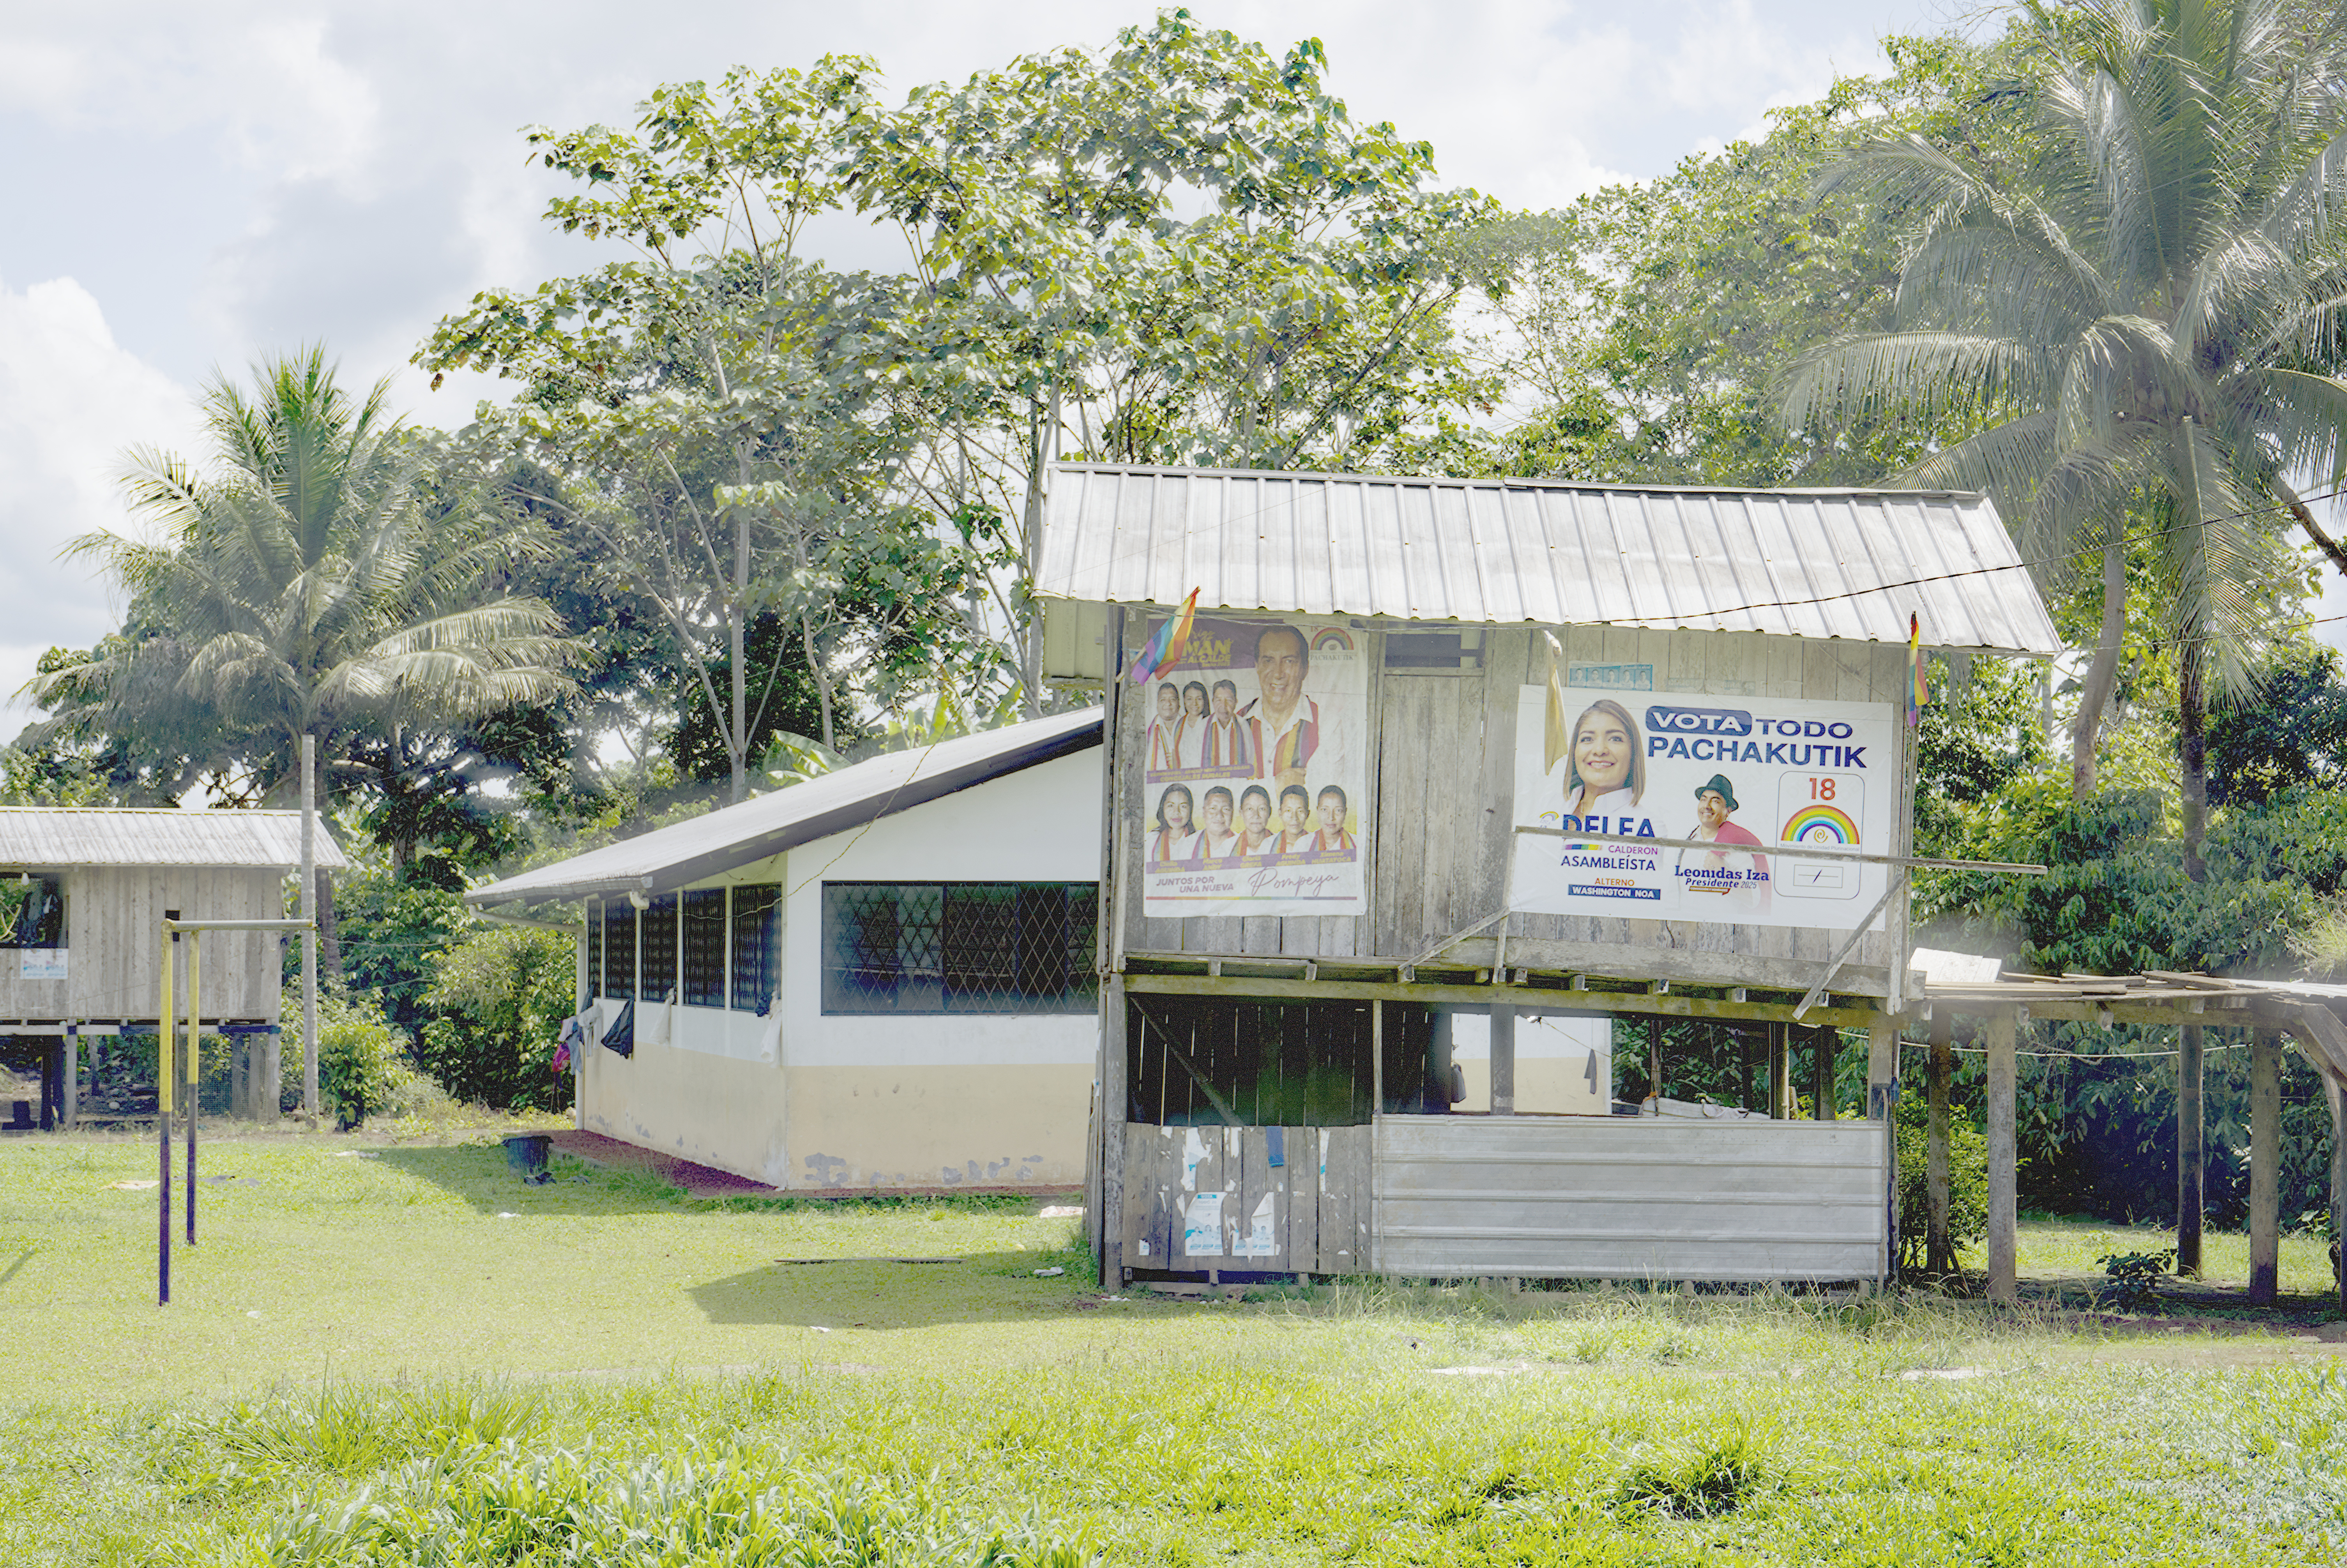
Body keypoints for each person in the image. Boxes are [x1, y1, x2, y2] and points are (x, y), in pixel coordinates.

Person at [1238, 624, 1318, 792]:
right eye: (1268, 661)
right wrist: (1278, 783)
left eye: (1289, 661)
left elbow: (1326, 789)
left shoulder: (1327, 722)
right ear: (1258, 666)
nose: (1278, 673)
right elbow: (1222, 789)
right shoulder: (1236, 724)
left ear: (1305, 669)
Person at [1677, 773, 1769, 908]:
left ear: (1728, 811)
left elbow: (1753, 900)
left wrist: (1723, 873)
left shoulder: (1736, 847)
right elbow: (1673, 891)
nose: (1707, 806)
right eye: (1703, 799)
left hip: (1720, 927)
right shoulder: (1686, 841)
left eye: (1715, 801)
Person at [1560, 698, 1645, 827]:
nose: (1599, 750)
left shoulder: (1647, 825)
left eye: (1615, 739)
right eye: (1587, 739)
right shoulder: (1548, 811)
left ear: (1633, 753)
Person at [1200, 678, 1254, 773]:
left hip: (1237, 784)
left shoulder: (1243, 726)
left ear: (1236, 702)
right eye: (1219, 700)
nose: (1224, 706)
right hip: (1209, 784)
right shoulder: (1202, 727)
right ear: (1213, 701)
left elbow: (1251, 761)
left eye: (1229, 700)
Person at [1149, 784, 1202, 864]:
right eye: (1171, 806)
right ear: (1162, 808)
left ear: (1190, 810)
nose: (1177, 812)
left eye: (1183, 806)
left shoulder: (1201, 840)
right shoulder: (1151, 839)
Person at [1147, 682, 1185, 773]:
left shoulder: (1188, 726)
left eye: (1172, 699)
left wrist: (1180, 759)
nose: (1168, 704)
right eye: (1163, 700)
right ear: (1157, 704)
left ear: (1179, 703)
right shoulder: (1150, 730)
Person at [1174, 680, 1211, 769]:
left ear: (1205, 700)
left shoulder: (1211, 724)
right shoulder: (1179, 724)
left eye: (1199, 699)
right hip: (1183, 776)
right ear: (1184, 701)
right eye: (1189, 699)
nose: (1194, 704)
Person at [1197, 786, 1241, 859]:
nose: (1219, 815)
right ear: (1204, 812)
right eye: (1213, 809)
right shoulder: (1189, 844)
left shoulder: (1243, 844)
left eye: (1226, 809)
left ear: (1233, 813)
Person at [1237, 784, 1279, 856]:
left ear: (1270, 812)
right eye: (1250, 809)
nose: (1256, 816)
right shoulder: (1229, 846)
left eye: (1262, 809)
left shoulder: (1280, 845)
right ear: (1241, 813)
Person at [1313, 784, 1355, 853]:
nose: (1331, 818)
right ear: (1318, 811)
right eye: (1324, 810)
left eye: (1338, 810)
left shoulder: (1358, 843)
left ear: (1345, 813)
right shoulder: (1303, 844)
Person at [1275, 785, 1316, 852]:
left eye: (1300, 811)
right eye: (1288, 811)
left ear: (1308, 814)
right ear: (1280, 813)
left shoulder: (1318, 844)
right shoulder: (1269, 845)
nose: (1294, 818)